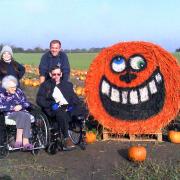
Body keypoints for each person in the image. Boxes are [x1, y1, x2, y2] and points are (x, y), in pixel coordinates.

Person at [36, 65, 80, 150]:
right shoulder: (45, 85)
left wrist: (74, 105)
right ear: (50, 74)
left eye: (58, 74)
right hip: (53, 109)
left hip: (67, 108)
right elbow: (39, 100)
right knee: (61, 113)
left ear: (61, 74)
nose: (56, 76)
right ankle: (66, 138)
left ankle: (79, 133)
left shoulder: (68, 85)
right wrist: (51, 104)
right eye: (54, 74)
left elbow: (74, 98)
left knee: (79, 109)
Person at [0, 75, 33, 150]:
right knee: (23, 115)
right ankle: (21, 141)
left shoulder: (19, 91)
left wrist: (21, 106)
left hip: (22, 113)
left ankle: (24, 141)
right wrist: (13, 108)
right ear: (6, 87)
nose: (14, 89)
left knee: (26, 115)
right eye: (12, 87)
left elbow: (26, 102)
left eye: (15, 86)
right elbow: (1, 106)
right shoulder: (1, 94)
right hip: (9, 114)